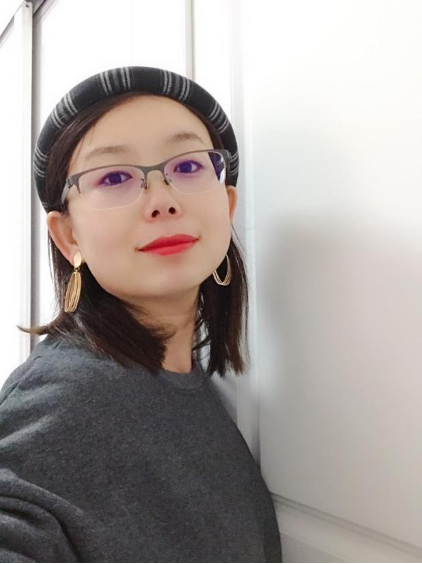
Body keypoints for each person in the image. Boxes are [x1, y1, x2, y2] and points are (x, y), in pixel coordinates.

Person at [0, 66, 283, 562]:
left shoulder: (193, 387)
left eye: (189, 167)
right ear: (68, 236)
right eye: (114, 177)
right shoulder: (57, 404)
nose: (162, 201)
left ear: (227, 205)